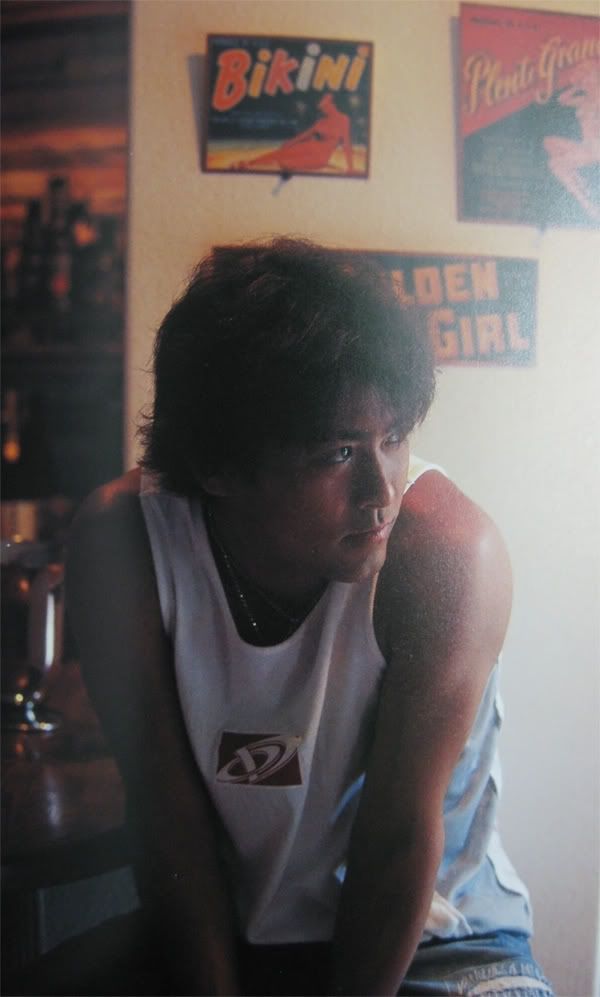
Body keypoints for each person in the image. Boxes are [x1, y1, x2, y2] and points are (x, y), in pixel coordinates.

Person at [62, 237, 552, 996]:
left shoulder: (447, 555)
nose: (382, 493)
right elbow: (167, 819)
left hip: (437, 937)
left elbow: (396, 842)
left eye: (394, 439)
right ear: (218, 466)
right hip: (233, 934)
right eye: (339, 453)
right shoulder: (124, 542)